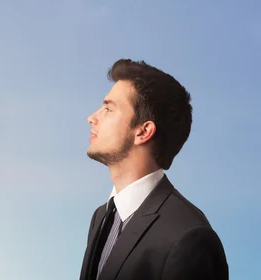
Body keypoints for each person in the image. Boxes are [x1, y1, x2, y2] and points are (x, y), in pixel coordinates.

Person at [79, 59, 229, 280]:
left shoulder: (188, 237)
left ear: (143, 131)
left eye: (108, 109)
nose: (92, 118)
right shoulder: (101, 216)